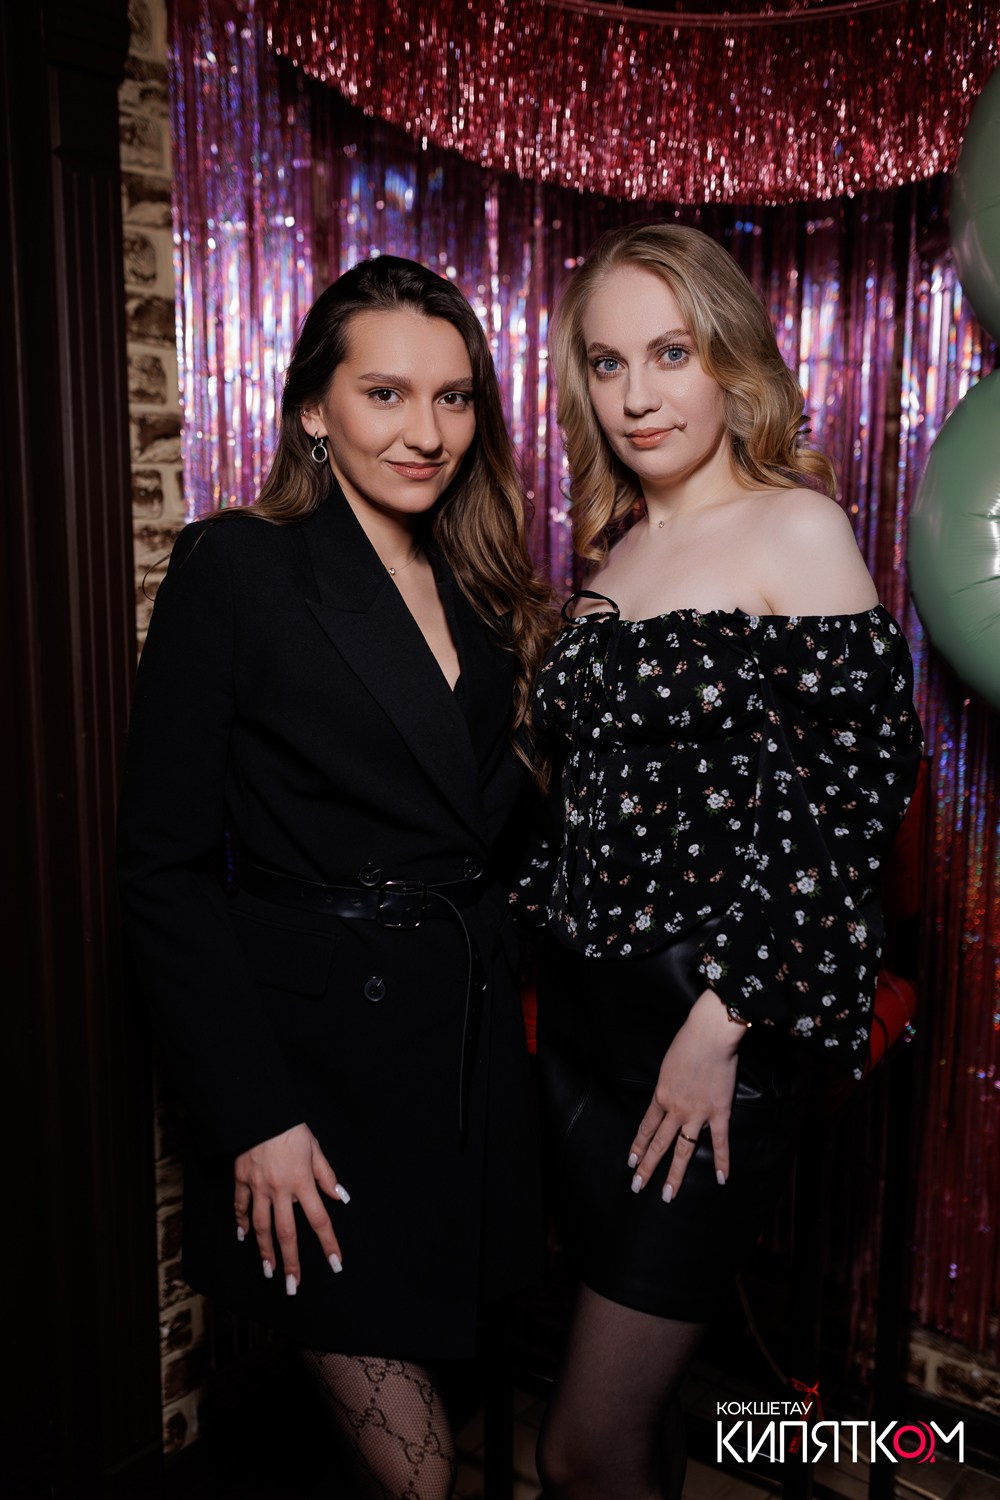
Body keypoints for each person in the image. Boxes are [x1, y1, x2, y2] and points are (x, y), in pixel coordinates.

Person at [117, 255, 551, 1500]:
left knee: (463, 1419)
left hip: (463, 1060)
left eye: (454, 398)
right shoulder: (238, 568)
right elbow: (161, 869)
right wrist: (251, 1114)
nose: (427, 433)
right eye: (385, 394)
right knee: (421, 1473)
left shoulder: (485, 584)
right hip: (312, 1078)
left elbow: (500, 835)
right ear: (314, 407)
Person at [515, 223, 922, 1500]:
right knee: (632, 1430)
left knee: (579, 1448)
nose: (636, 394)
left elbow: (853, 807)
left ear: (729, 360)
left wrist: (721, 1022)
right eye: (607, 363)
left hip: (708, 1025)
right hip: (580, 1028)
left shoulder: (794, 528)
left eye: (670, 353)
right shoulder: (614, 554)